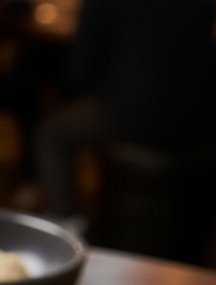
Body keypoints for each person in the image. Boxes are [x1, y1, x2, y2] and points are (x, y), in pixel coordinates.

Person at [36, 0, 216, 225]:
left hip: (133, 117)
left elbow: (81, 72)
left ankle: (66, 225)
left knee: (52, 132)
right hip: (200, 118)